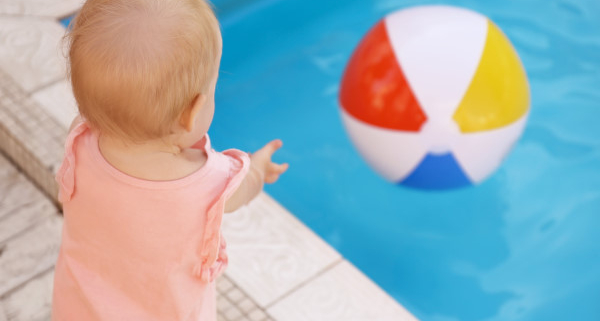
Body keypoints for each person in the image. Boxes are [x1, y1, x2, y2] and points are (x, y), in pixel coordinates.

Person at [51, 0, 288, 320]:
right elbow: (246, 187)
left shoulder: (80, 139)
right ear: (192, 113)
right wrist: (259, 167)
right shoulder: (210, 183)